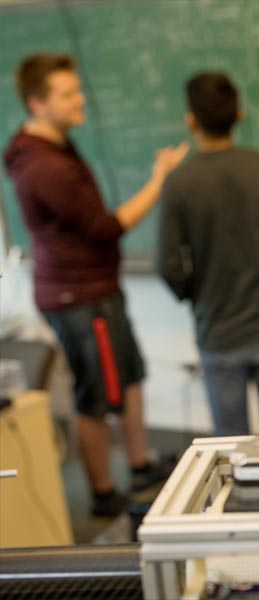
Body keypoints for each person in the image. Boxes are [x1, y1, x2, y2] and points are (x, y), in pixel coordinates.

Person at [3, 53, 188, 517]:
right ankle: (105, 495)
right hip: (79, 298)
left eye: (77, 89)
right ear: (37, 103)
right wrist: (159, 178)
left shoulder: (54, 148)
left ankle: (141, 466)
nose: (80, 99)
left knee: (129, 377)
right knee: (97, 395)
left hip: (95, 289)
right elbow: (106, 228)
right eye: (68, 94)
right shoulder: (46, 166)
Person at [156, 71, 259, 437]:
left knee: (230, 447)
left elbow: (167, 264)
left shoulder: (180, 181)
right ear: (239, 115)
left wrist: (196, 295)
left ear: (191, 120)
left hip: (218, 332)